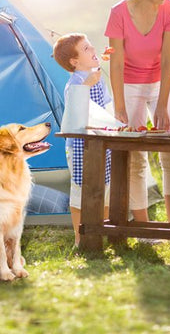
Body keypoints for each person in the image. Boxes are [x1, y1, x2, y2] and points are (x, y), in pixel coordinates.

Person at [104, 0, 170, 223]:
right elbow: (115, 63)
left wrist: (162, 103)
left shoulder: (169, 9)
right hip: (129, 84)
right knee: (135, 156)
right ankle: (143, 227)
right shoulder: (118, 13)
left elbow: (169, 59)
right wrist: (119, 106)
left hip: (163, 82)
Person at [53, 33, 112, 247]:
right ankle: (80, 237)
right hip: (80, 146)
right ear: (74, 62)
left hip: (101, 141)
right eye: (86, 49)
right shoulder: (76, 82)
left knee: (105, 187)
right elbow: (76, 106)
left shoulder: (96, 77)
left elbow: (105, 104)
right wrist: (86, 84)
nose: (93, 49)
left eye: (90, 46)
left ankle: (102, 232)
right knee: (80, 192)